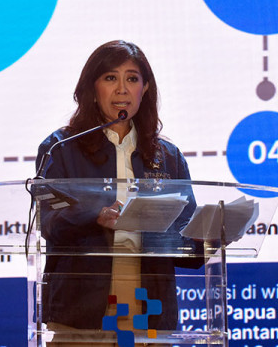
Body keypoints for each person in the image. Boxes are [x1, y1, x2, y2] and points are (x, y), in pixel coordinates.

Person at [35, 40, 202, 344]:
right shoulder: (61, 148)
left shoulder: (169, 157)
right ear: (92, 88)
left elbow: (187, 248)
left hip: (149, 321)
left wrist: (211, 236)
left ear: (145, 88)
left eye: (132, 79)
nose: (122, 89)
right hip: (81, 319)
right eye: (110, 78)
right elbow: (50, 223)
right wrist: (94, 216)